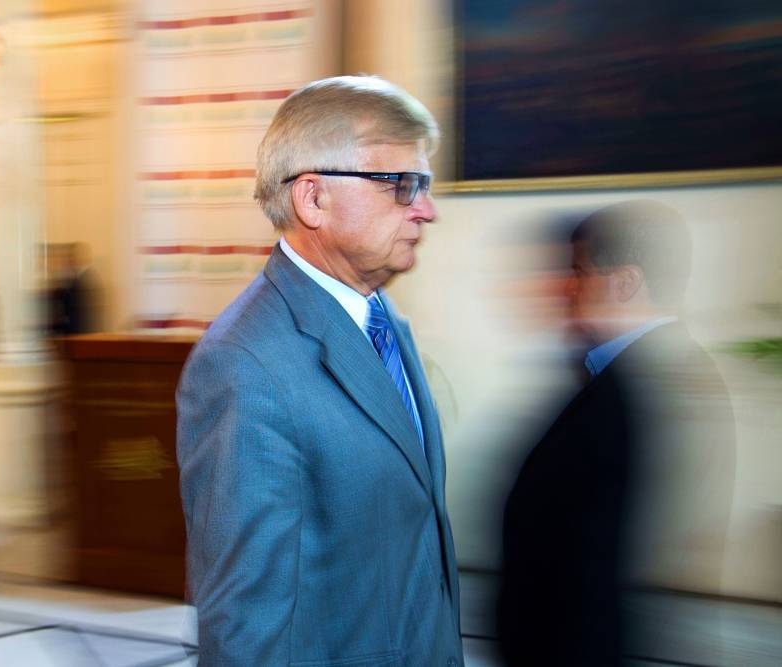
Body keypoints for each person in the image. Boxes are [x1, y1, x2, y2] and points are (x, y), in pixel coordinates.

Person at [176, 76, 464, 665]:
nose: (426, 210)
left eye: (426, 185)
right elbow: (244, 622)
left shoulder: (383, 320)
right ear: (313, 198)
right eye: (402, 185)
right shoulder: (243, 367)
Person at [496, 201, 736, 666]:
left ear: (625, 282)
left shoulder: (652, 383)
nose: (568, 286)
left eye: (580, 270)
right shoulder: (631, 374)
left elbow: (627, 563)